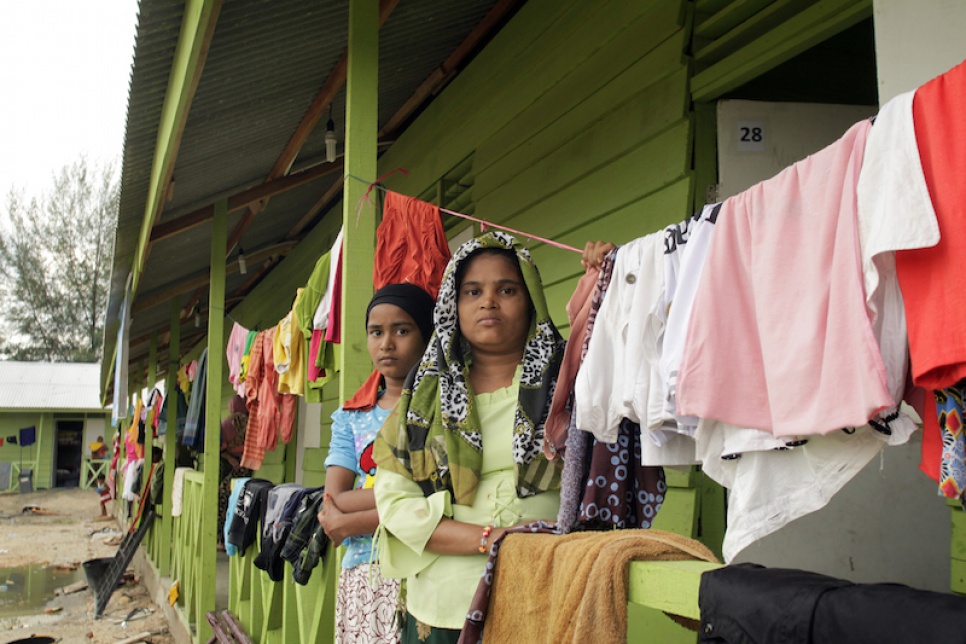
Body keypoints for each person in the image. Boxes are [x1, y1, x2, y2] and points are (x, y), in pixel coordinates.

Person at [372, 232, 571, 641]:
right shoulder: (422, 396)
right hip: (445, 605)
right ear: (453, 305)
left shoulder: (570, 382)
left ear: (531, 297)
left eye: (508, 289)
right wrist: (491, 539)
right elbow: (394, 503)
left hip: (548, 594)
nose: (489, 302)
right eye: (473, 291)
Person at [319, 283, 436, 644]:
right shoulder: (350, 418)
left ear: (428, 334)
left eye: (402, 330)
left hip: (425, 569)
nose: (386, 343)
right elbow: (334, 499)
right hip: (363, 574)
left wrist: (353, 518)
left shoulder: (440, 411)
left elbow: (441, 500)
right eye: (376, 332)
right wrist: (412, 503)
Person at [218, 395, 251, 547]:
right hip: (234, 465)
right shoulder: (229, 424)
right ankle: (223, 536)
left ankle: (223, 536)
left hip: (239, 465)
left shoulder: (248, 424)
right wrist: (232, 459)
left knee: (225, 494)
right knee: (226, 494)